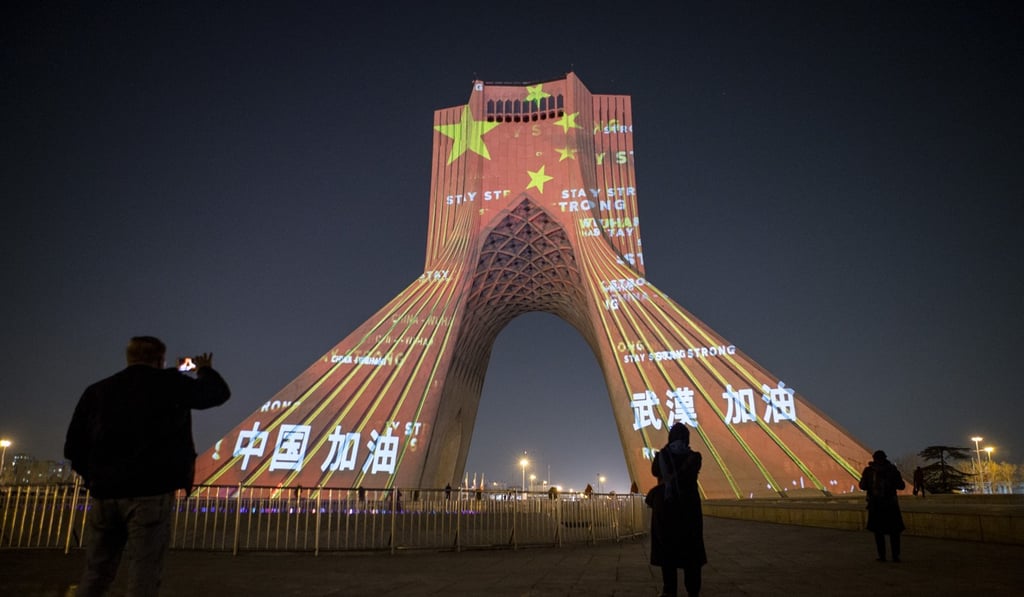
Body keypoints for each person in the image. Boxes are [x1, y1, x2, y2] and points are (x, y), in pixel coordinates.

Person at [64, 336, 230, 596]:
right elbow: (218, 394)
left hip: (105, 495)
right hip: (150, 495)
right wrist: (204, 369)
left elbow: (73, 447)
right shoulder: (169, 384)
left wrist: (95, 479)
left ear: (128, 357)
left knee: (96, 572)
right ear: (160, 359)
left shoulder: (97, 391)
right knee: (144, 573)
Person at [649, 423, 706, 597]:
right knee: (691, 554)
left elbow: (654, 472)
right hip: (689, 510)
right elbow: (690, 474)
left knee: (668, 553)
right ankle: (693, 591)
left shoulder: (662, 457)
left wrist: (665, 451)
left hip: (668, 511)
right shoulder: (695, 457)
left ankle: (669, 590)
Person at [858, 450, 906, 562]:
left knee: (878, 532)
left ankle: (882, 556)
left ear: (874, 458)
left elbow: (863, 486)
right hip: (890, 505)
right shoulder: (892, 470)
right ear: (885, 458)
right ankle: (895, 556)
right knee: (894, 532)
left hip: (876, 505)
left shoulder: (869, 471)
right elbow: (901, 485)